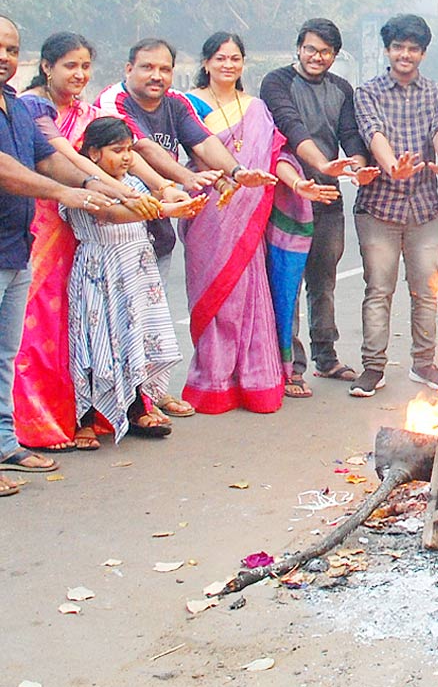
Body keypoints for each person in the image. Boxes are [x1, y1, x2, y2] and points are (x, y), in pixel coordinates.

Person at [97, 37, 274, 418]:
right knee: (117, 319)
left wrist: (238, 172)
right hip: (115, 225)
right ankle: (125, 404)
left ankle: (153, 393)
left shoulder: (175, 104)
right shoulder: (115, 101)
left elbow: (203, 141)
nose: (156, 75)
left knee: (151, 316)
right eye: (147, 67)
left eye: (164, 68)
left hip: (156, 225)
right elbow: (141, 151)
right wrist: (180, 182)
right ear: (128, 69)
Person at [14, 33, 161, 453]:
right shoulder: (32, 108)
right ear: (46, 68)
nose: (79, 74)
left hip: (92, 225)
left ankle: (105, 410)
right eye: (69, 66)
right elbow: (66, 155)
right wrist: (116, 191)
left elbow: (134, 153)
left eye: (85, 66)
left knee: (93, 324)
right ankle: (41, 421)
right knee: (41, 325)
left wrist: (163, 187)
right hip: (49, 220)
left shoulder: (89, 111)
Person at [182, 32, 340, 413]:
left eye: (235, 58)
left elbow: (277, 154)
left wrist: (298, 184)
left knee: (251, 298)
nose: (228, 65)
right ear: (206, 63)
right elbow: (189, 154)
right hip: (207, 210)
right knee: (217, 300)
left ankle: (254, 379)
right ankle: (215, 380)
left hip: (250, 215)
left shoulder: (255, 108)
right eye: (220, 58)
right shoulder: (186, 104)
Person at [0, 15, 123, 493]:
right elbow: (7, 168)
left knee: (5, 355)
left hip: (14, 248)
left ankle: (6, 441)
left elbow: (47, 157)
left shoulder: (15, 106)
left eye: (11, 49)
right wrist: (65, 193)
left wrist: (93, 186)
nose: (5, 57)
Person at [65, 117, 206, 443]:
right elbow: (111, 214)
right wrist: (165, 211)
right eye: (118, 150)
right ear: (94, 154)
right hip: (99, 273)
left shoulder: (135, 184)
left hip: (136, 274)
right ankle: (84, 418)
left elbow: (161, 200)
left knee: (138, 341)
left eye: (129, 149)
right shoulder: (86, 187)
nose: (127, 157)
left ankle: (137, 408)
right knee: (94, 344)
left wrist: (181, 202)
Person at [259, 18, 376, 392]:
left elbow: (350, 136)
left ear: (335, 56)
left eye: (325, 51)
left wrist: (357, 169)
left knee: (323, 282)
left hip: (327, 197)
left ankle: (326, 357)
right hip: (287, 196)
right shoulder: (276, 83)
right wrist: (322, 164)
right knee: (287, 281)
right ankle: (289, 365)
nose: (317, 56)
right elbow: (291, 129)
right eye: (310, 48)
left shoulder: (341, 88)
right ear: (298, 48)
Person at [351, 14, 438, 398]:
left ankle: (424, 362)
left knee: (427, 292)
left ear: (423, 53)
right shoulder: (367, 91)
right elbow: (373, 131)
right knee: (378, 290)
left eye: (413, 48)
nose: (405, 54)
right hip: (378, 206)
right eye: (398, 47)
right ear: (388, 50)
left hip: (425, 208)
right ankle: (373, 367)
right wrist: (390, 166)